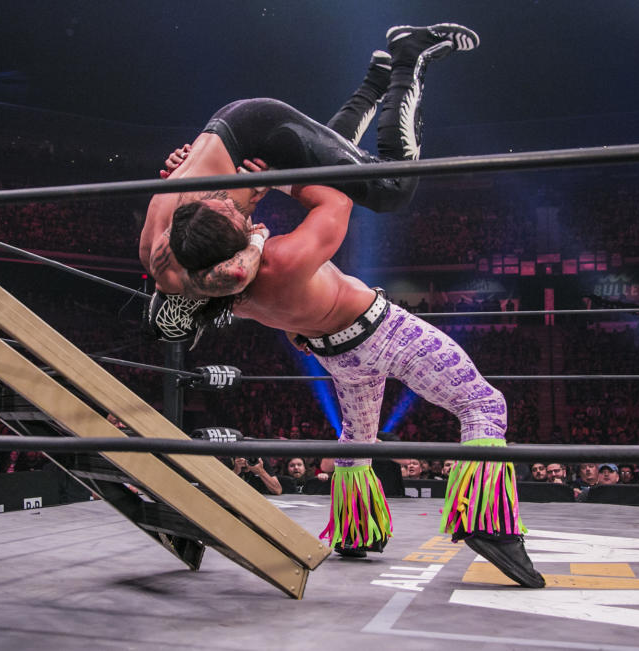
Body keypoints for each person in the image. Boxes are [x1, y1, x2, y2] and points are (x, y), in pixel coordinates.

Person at [164, 26, 544, 589]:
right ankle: (488, 520)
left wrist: (192, 180)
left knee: (357, 440)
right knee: (482, 403)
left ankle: (356, 527)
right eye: (233, 214)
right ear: (238, 242)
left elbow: (192, 239)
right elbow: (335, 185)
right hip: (381, 331)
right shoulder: (286, 258)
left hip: (337, 355)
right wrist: (270, 180)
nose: (236, 209)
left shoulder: (207, 283)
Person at [141, 23, 479, 344]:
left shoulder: (200, 280)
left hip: (260, 135)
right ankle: (376, 81)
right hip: (229, 128)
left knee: (392, 189)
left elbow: (238, 276)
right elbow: (180, 184)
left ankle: (409, 54)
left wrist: (269, 207)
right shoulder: (150, 250)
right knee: (332, 172)